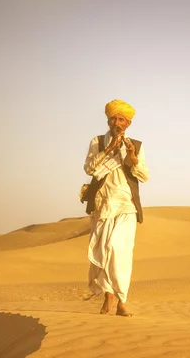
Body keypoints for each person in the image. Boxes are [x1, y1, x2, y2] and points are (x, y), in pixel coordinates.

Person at [82, 99, 149, 317]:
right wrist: (110, 149)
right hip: (103, 204)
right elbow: (90, 168)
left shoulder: (136, 146)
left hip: (126, 205)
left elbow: (144, 176)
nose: (116, 122)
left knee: (118, 251)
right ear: (108, 119)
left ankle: (121, 302)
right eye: (113, 118)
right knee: (104, 252)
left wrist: (131, 158)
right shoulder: (98, 141)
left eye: (121, 119)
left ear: (128, 123)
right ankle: (107, 300)